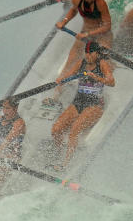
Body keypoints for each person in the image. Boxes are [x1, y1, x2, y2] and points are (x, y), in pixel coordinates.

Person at [44, 0, 113, 107]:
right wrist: (63, 21)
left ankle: (100, 98)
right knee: (70, 63)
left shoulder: (100, 3)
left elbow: (107, 26)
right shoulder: (77, 0)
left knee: (104, 64)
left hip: (102, 36)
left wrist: (88, 34)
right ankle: (55, 97)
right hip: (84, 35)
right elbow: (72, 11)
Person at [49, 42, 115, 171]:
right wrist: (60, 80)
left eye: (91, 53)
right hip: (78, 102)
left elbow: (112, 82)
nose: (88, 56)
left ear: (97, 53)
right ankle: (58, 153)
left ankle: (65, 165)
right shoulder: (81, 63)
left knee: (74, 131)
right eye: (87, 53)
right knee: (56, 130)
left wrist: (97, 77)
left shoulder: (102, 64)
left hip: (95, 105)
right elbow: (68, 75)